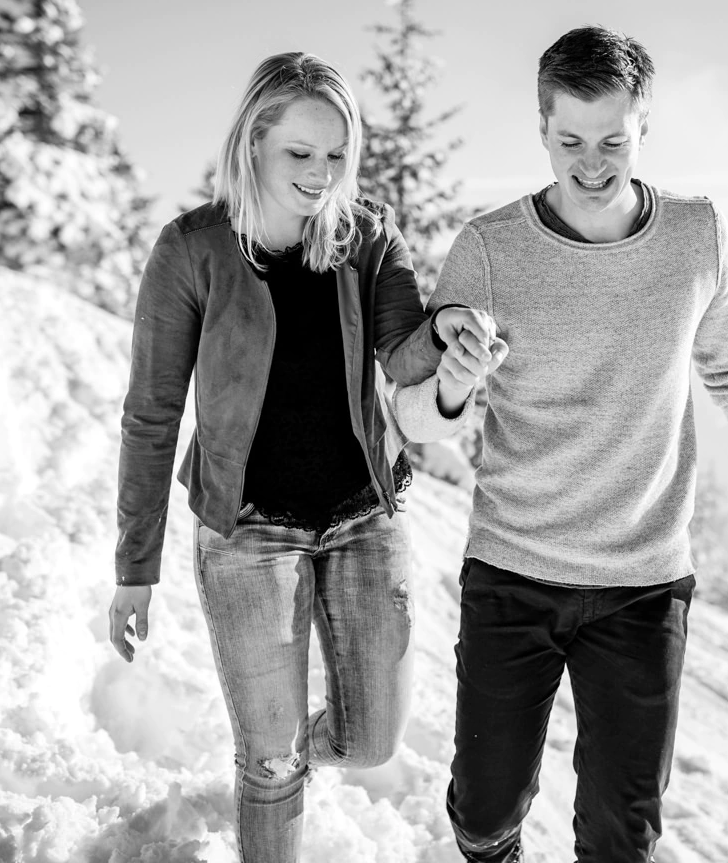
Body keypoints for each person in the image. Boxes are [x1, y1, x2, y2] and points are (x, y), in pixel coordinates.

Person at [424, 26, 728, 862]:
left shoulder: (696, 237)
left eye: (613, 140)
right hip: (514, 570)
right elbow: (425, 408)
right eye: (570, 140)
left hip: (643, 584)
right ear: (542, 128)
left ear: (644, 126)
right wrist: (454, 370)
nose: (592, 162)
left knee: (621, 838)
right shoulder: (489, 250)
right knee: (484, 816)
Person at [106, 52, 505, 863]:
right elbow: (151, 414)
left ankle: (282, 758)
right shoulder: (192, 250)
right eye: (300, 152)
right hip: (247, 534)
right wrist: (134, 568)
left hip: (362, 518)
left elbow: (402, 353)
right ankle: (271, 769)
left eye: (336, 155)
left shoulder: (364, 237)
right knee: (271, 760)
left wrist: (445, 328)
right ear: (253, 140)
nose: (322, 175)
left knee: (372, 739)